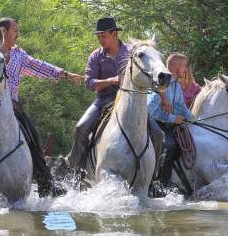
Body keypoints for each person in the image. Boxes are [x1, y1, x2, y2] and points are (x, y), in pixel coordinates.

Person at [0, 17, 83, 197]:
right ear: (2, 31)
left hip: (11, 105)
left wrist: (65, 74)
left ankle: (45, 182)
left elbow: (39, 66)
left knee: (32, 136)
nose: (18, 35)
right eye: (15, 31)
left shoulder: (19, 55)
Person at [67, 17, 172, 170]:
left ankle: (153, 177)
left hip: (131, 101)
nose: (100, 40)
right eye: (98, 36)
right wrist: (110, 81)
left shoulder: (134, 52)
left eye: (103, 36)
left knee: (158, 134)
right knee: (81, 128)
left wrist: (163, 96)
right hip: (104, 101)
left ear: (114, 34)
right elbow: (89, 83)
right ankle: (75, 170)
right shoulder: (96, 56)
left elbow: (152, 74)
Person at [147, 52, 194, 188]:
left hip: (168, 124)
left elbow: (181, 107)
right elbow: (151, 110)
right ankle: (160, 184)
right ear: (175, 66)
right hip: (154, 123)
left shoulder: (176, 86)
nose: (185, 70)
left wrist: (195, 119)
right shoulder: (161, 82)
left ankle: (176, 180)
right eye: (184, 66)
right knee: (170, 145)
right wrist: (173, 118)